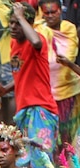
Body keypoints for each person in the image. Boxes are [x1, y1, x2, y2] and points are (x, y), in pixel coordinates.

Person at [0, 2, 60, 168]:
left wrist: (22, 16)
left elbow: (37, 43)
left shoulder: (37, 40)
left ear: (28, 23)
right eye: (11, 23)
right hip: (24, 112)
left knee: (42, 164)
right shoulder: (14, 44)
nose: (13, 27)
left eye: (17, 23)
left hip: (41, 110)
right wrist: (6, 88)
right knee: (25, 164)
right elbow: (21, 72)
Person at [39, 0, 80, 150]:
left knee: (67, 135)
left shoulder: (68, 29)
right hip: (45, 93)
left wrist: (66, 62)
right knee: (48, 136)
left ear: (60, 11)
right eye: (46, 13)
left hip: (68, 91)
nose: (50, 16)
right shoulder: (38, 30)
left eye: (53, 12)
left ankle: (67, 167)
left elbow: (70, 53)